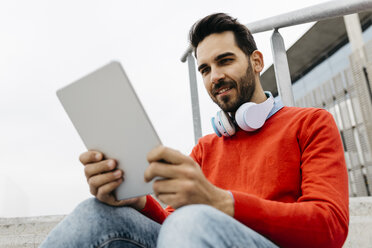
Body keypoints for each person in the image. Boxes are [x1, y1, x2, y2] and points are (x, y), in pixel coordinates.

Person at [40, 13, 349, 248]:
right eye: (205, 69)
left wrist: (220, 202)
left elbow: (330, 226)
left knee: (193, 218)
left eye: (225, 61)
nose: (215, 76)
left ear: (256, 62)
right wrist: (138, 202)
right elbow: (173, 226)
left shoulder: (311, 123)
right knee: (94, 212)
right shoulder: (205, 148)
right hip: (194, 235)